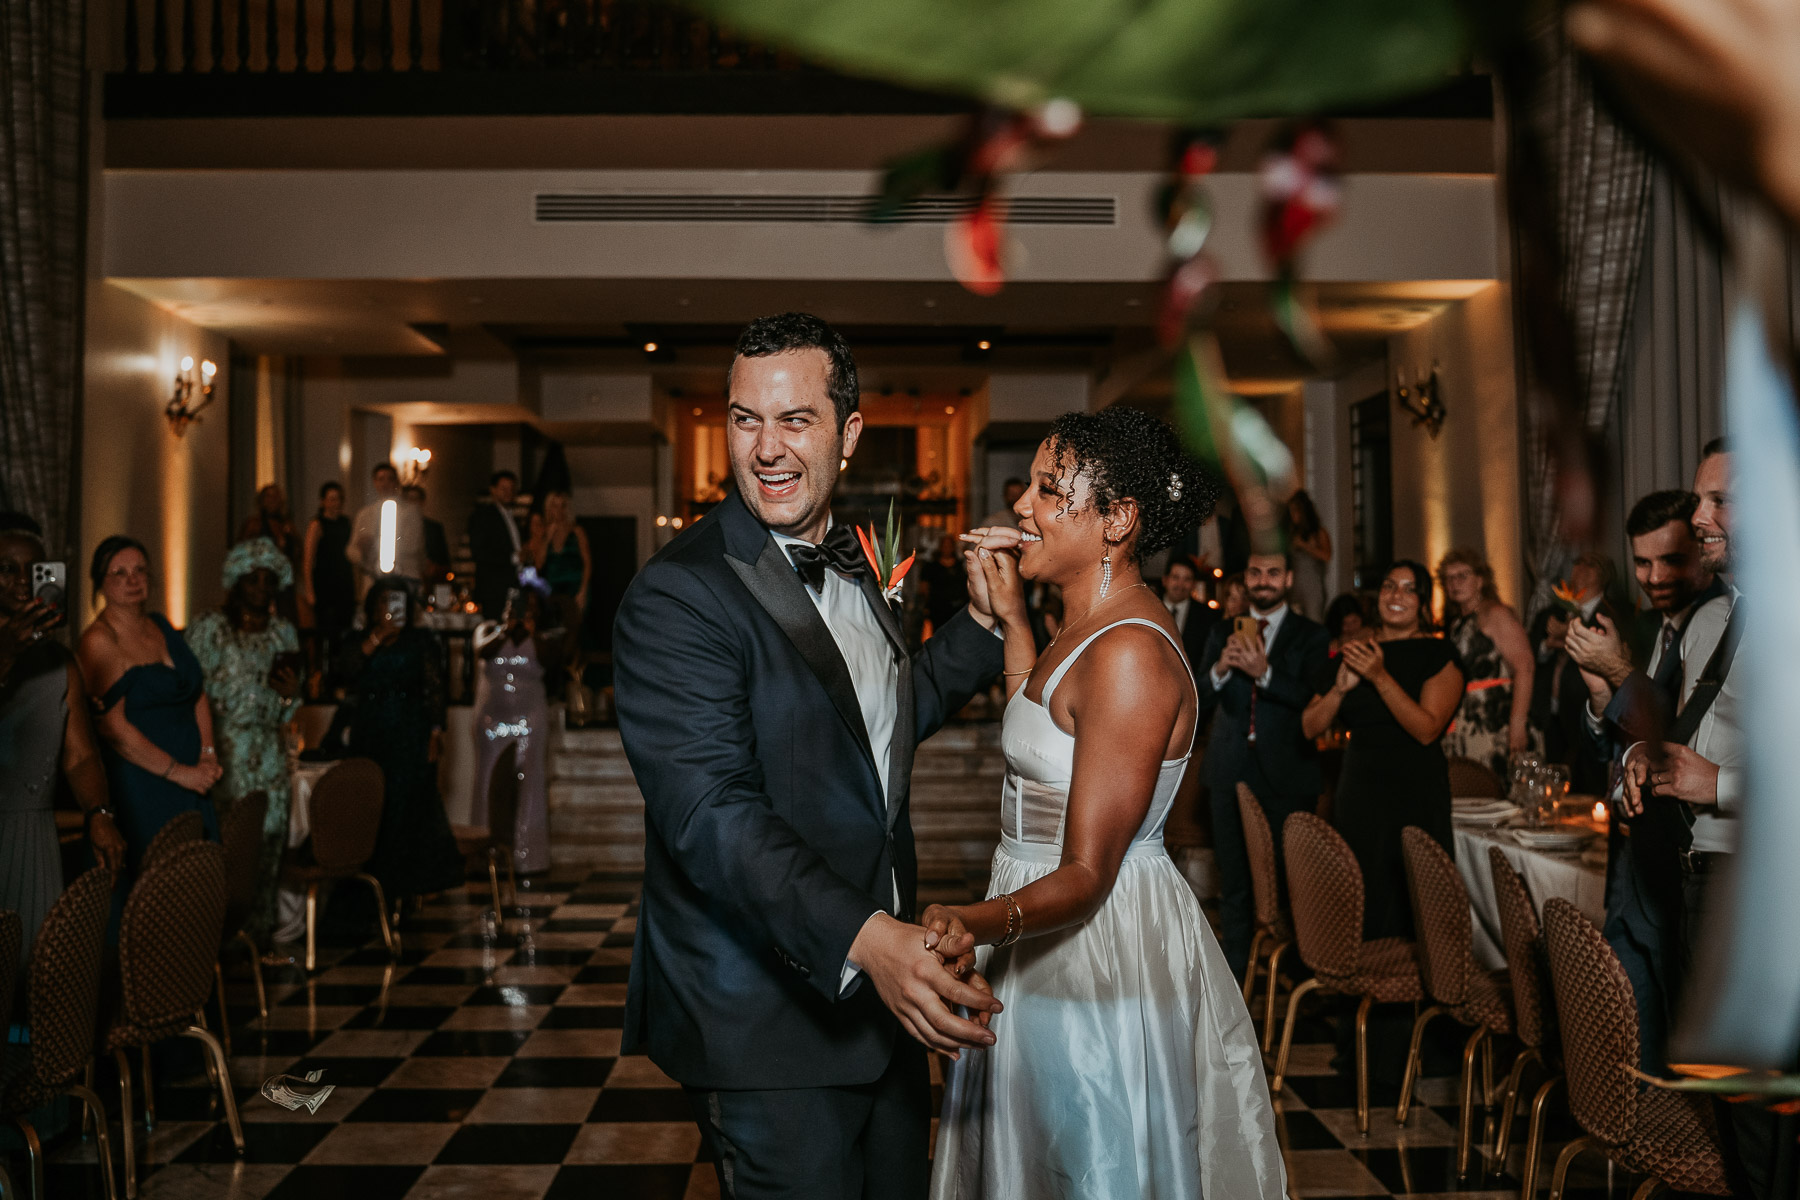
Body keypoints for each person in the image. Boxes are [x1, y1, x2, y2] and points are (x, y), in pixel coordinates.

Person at [612, 312, 1005, 1199]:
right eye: (746, 419)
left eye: (795, 419)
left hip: (884, 1004)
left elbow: (877, 726)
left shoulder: (857, 563)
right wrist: (871, 940)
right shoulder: (678, 594)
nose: (766, 447)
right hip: (764, 1021)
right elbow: (712, 815)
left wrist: (981, 628)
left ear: (849, 433)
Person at [926, 409, 1283, 1200]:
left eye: (1050, 492)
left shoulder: (1129, 654)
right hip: (1039, 927)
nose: (1022, 506)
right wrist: (1014, 617)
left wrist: (965, 923)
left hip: (1094, 947)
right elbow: (1037, 721)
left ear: (1118, 519)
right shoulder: (1079, 627)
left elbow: (1088, 871)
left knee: (1088, 1161)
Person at [1303, 561, 1463, 941]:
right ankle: (1363, 991)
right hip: (1360, 789)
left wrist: (1379, 677)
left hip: (1416, 790)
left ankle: (1418, 996)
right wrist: (1341, 689)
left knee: (1418, 898)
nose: (1396, 595)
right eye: (1390, 586)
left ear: (1422, 602)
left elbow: (1426, 730)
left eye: (1409, 589)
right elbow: (1310, 726)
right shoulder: (1354, 651)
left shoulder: (1439, 654)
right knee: (1362, 892)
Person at [1194, 551, 1333, 979]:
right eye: (1255, 572)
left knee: (1296, 884)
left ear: (1289, 578)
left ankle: (1295, 980)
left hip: (1289, 771)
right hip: (1229, 768)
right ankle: (1236, 980)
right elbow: (1197, 699)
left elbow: (1319, 697)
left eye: (1273, 573)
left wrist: (1265, 673)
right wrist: (1220, 669)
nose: (1263, 580)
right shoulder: (1222, 631)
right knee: (1233, 883)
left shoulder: (1311, 635)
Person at [0, 523, 124, 972]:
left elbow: (81, 755)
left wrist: (100, 814)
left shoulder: (58, 662)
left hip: (35, 838)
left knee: (39, 974)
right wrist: (6, 653)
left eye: (32, 570)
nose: (20, 580)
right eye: (6, 569)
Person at [78, 537, 224, 875]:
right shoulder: (99, 639)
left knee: (194, 882)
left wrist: (207, 752)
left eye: (139, 570)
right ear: (101, 583)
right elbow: (113, 730)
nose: (132, 580)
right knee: (152, 888)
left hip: (193, 777)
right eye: (119, 573)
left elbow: (196, 692)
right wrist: (180, 773)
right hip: (143, 784)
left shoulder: (160, 625)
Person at [186, 539, 304, 944]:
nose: (259, 587)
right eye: (251, 579)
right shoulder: (210, 629)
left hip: (270, 756)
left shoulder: (283, 634)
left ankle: (257, 940)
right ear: (235, 582)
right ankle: (213, 944)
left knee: (266, 848)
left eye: (267, 580)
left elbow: (289, 709)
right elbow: (188, 695)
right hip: (222, 753)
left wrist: (289, 694)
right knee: (223, 848)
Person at [330, 579, 462, 917]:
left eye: (399, 602)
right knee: (369, 805)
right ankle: (366, 890)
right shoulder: (360, 641)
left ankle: (399, 892)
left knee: (404, 808)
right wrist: (377, 638)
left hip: (409, 734)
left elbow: (435, 690)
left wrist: (435, 733)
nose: (391, 608)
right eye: (385, 602)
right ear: (374, 606)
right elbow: (344, 671)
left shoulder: (421, 643)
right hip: (370, 732)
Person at [469, 577, 551, 875]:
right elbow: (482, 651)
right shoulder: (488, 630)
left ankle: (529, 857)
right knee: (487, 784)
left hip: (529, 720)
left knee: (530, 786)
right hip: (492, 721)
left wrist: (529, 631)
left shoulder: (541, 637)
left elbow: (551, 660)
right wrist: (507, 627)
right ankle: (484, 856)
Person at [1438, 547, 1535, 777]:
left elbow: (1525, 667)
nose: (1455, 583)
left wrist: (1517, 724)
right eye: (1449, 578)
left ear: (1480, 580)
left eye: (1463, 575)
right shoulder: (1457, 624)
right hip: (1467, 725)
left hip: (1497, 723)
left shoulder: (1495, 613)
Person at [1527, 607, 1609, 796]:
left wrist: (1569, 636)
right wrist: (1551, 644)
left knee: (1586, 778)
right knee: (1552, 775)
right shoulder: (1553, 612)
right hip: (1549, 713)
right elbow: (1532, 653)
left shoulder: (1606, 613)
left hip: (1581, 713)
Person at [346, 462, 427, 589]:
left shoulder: (411, 512)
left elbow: (412, 545)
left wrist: (375, 544)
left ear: (396, 482)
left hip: (404, 577)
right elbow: (351, 550)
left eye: (389, 479)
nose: (385, 484)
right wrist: (362, 552)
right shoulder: (365, 514)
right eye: (380, 479)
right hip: (374, 579)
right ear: (374, 482)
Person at [302, 482, 356, 648]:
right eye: (332, 499)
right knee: (326, 629)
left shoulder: (346, 523)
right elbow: (308, 560)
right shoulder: (317, 524)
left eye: (338, 499)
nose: (336, 503)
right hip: (325, 584)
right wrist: (310, 591)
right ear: (323, 501)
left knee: (345, 627)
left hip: (344, 581)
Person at [467, 470, 524, 619]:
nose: (508, 493)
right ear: (493, 490)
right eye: (503, 488)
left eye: (511, 489)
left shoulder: (512, 518)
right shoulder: (483, 516)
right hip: (494, 588)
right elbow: (479, 552)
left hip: (513, 584)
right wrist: (513, 558)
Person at [1160, 555, 1217, 672]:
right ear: (1165, 580)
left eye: (1187, 579)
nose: (1180, 585)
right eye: (1176, 577)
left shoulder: (1208, 616)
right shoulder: (1148, 608)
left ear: (1194, 584)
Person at [1283, 488, 1332, 620]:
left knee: (1313, 619)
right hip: (1294, 586)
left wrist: (1304, 546)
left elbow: (1327, 556)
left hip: (1312, 586)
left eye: (1295, 511)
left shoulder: (1319, 533)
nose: (1293, 515)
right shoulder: (1291, 533)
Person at [918, 531, 969, 637]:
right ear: (940, 547)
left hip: (958, 608)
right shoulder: (931, 566)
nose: (947, 548)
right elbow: (924, 587)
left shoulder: (960, 566)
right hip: (938, 608)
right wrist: (925, 605)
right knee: (939, 634)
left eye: (949, 546)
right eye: (945, 546)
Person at [403, 484, 452, 584]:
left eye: (415, 499)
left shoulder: (434, 528)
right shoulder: (399, 527)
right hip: (406, 576)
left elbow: (444, 559)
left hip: (429, 581)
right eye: (409, 499)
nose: (412, 503)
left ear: (422, 502)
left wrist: (433, 567)